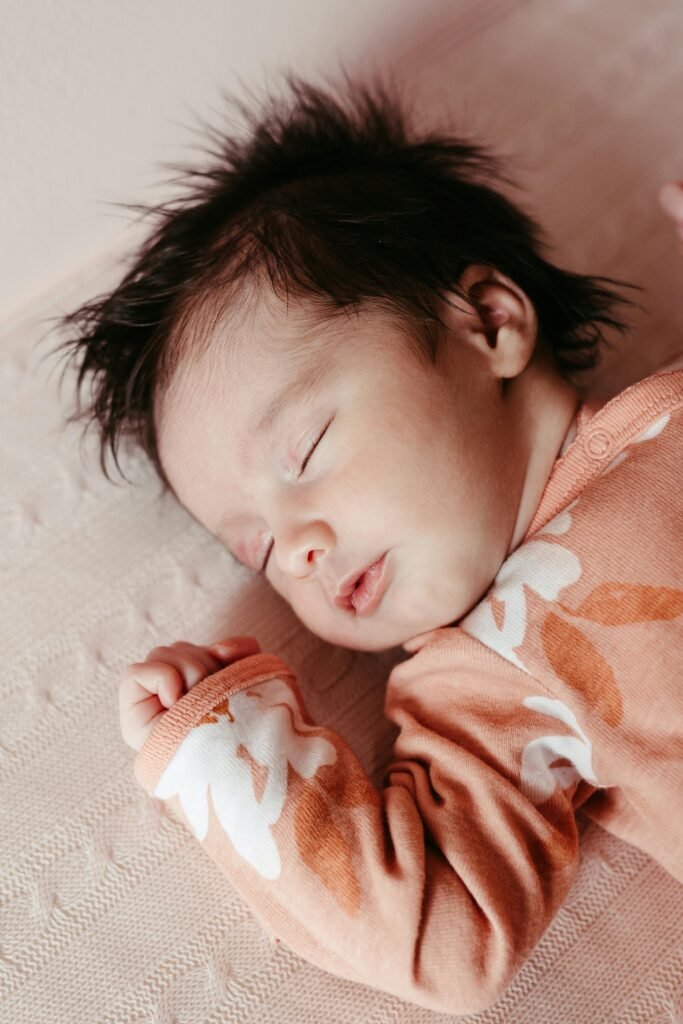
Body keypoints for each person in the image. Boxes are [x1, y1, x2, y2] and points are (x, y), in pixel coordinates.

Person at [53, 75, 683, 1015]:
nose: (295, 552)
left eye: (303, 451)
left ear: (486, 322)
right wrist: (232, 755)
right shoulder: (488, 685)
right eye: (256, 550)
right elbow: (443, 935)